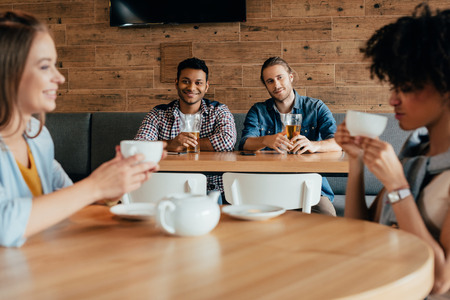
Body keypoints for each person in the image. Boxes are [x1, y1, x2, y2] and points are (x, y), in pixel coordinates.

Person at [0, 11, 162, 248]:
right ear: (8, 73)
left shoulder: (38, 137)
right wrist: (94, 186)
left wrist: (110, 189)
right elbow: (4, 226)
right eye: (45, 67)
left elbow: (71, 200)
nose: (60, 77)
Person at [335, 4, 450, 297]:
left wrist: (398, 186)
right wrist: (356, 162)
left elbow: (439, 281)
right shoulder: (414, 154)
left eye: (407, 87)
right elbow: (361, 233)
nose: (392, 100)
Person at [239, 57, 341, 215]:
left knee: (328, 221)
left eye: (280, 78)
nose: (276, 85)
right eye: (270, 81)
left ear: (291, 77)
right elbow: (245, 143)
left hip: (309, 186)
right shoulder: (258, 110)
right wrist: (266, 140)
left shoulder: (316, 107)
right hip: (267, 185)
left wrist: (314, 145)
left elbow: (339, 143)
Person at [135, 57, 236, 201]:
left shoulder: (219, 110)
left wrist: (184, 145)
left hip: (210, 187)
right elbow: (139, 145)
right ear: (176, 83)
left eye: (198, 83)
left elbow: (227, 142)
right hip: (166, 184)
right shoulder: (158, 113)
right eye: (186, 81)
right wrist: (170, 144)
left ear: (206, 87)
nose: (191, 87)